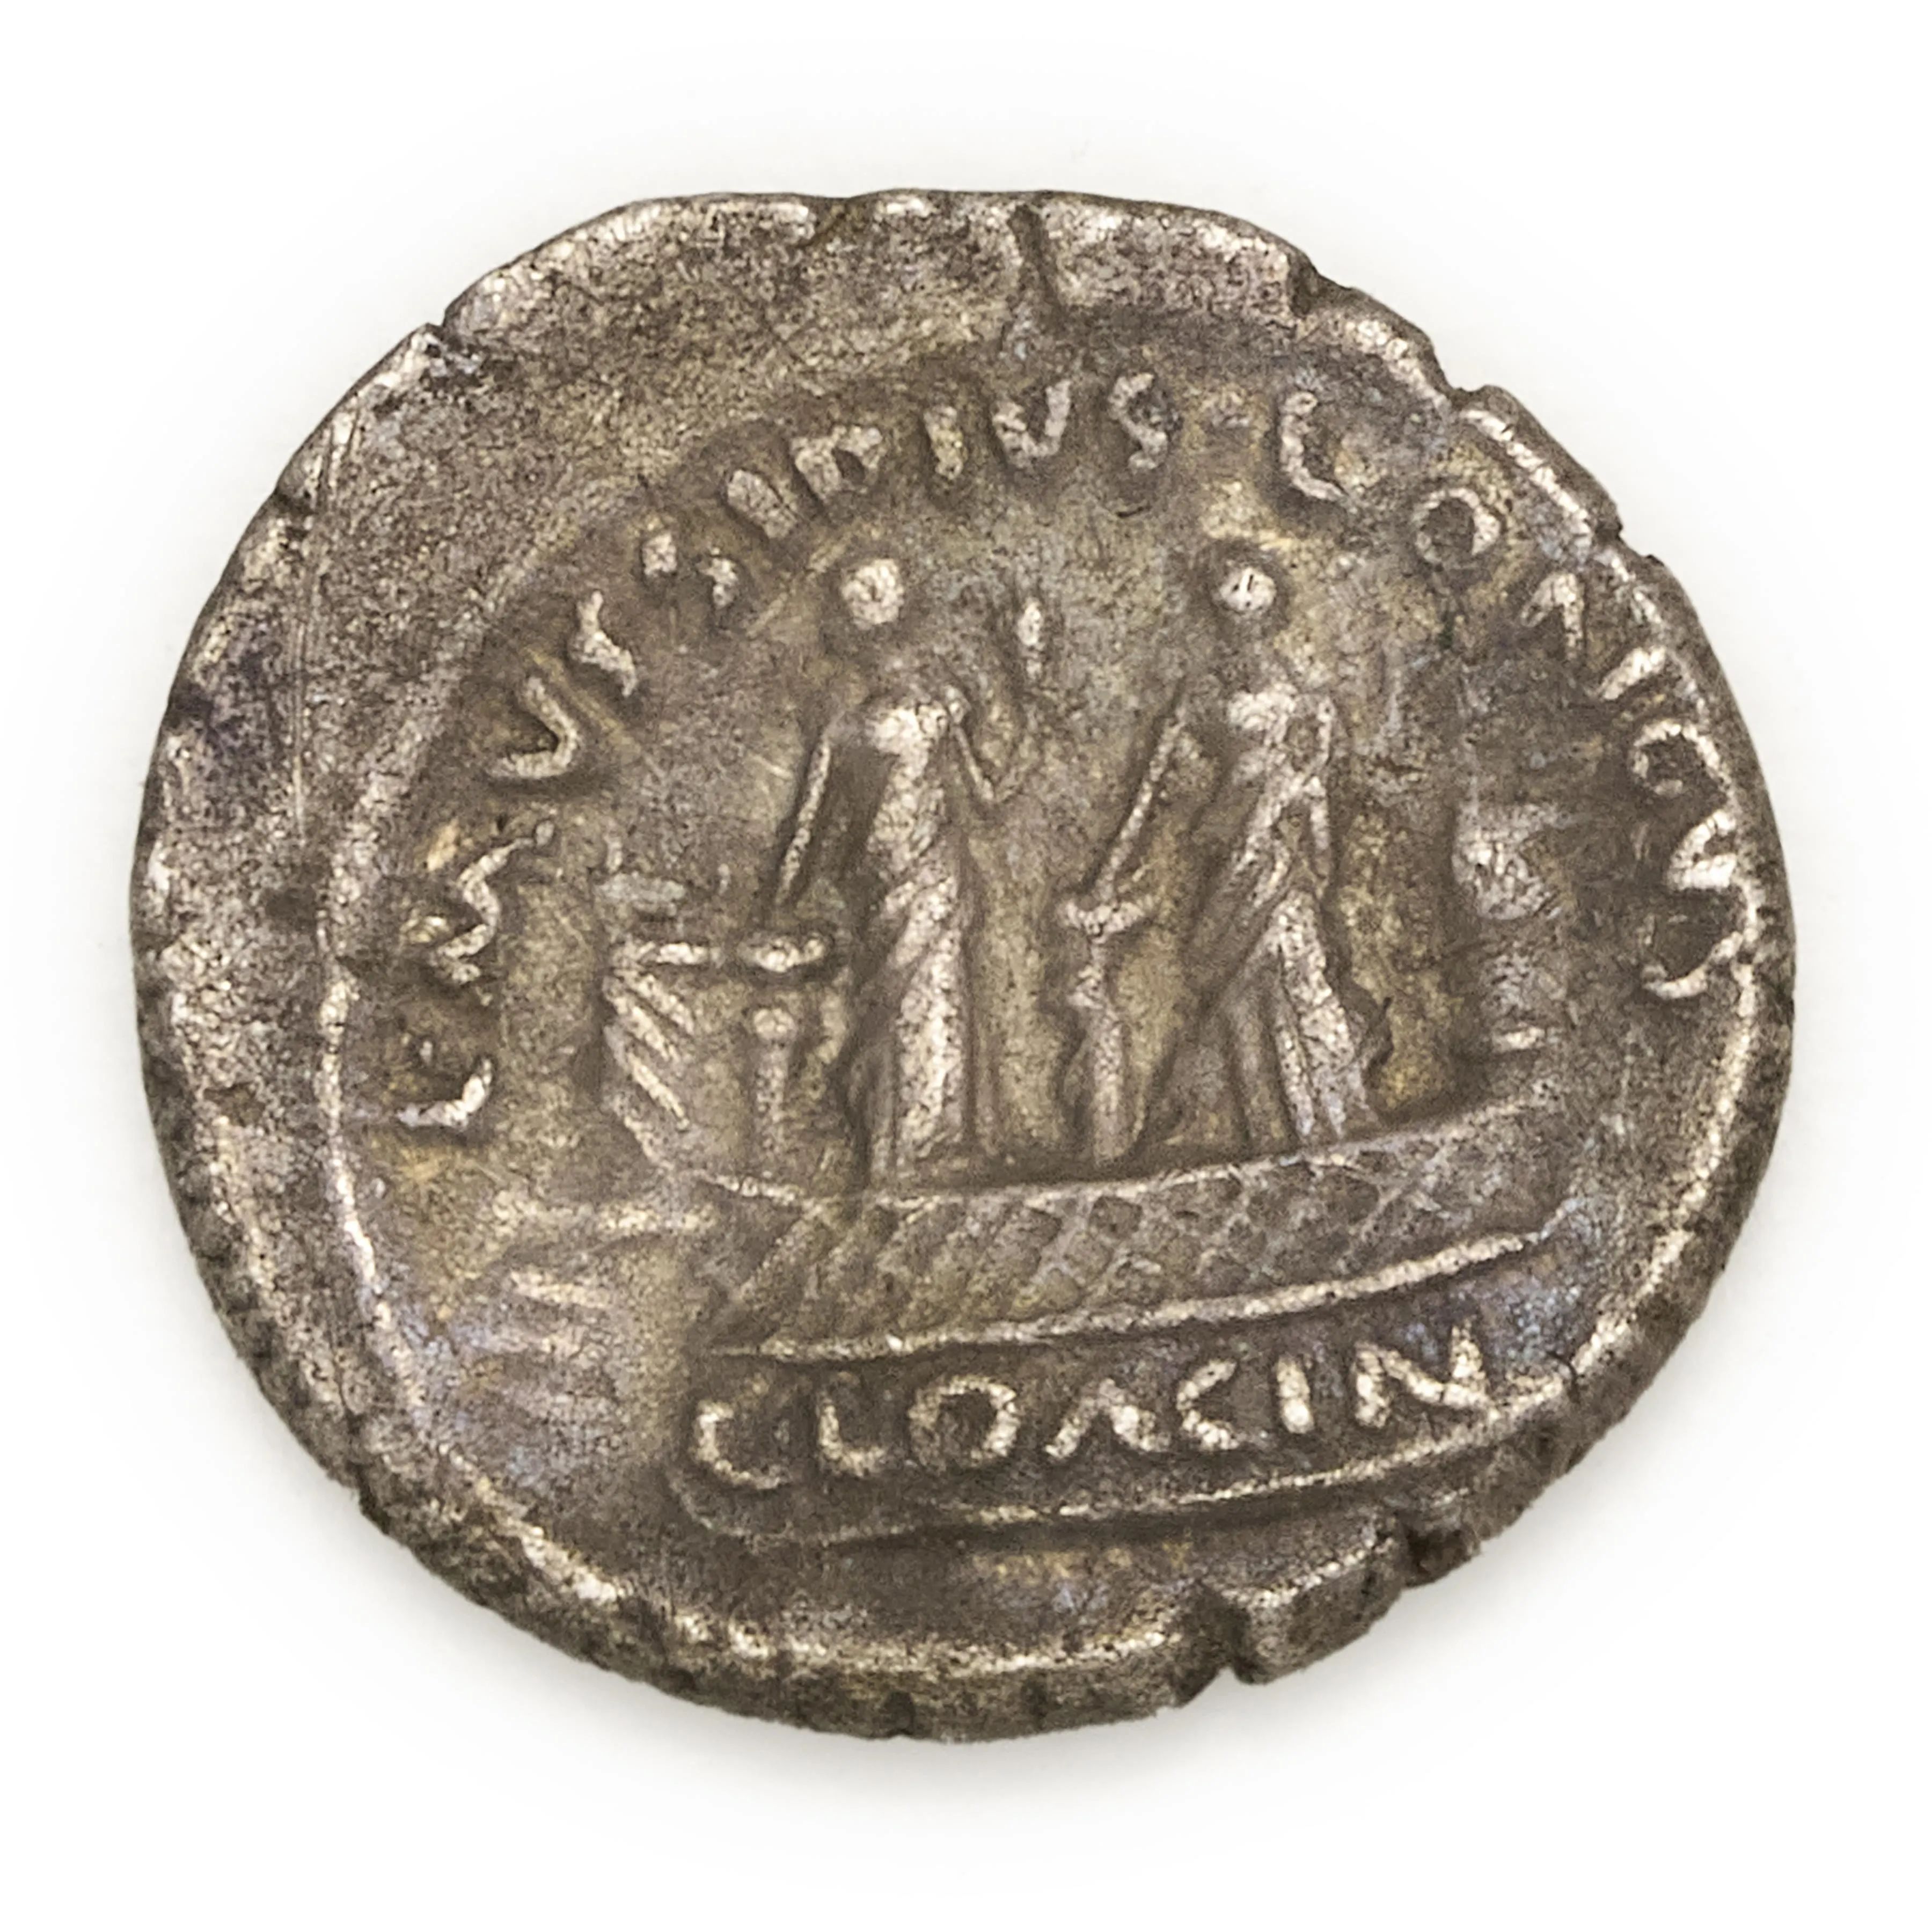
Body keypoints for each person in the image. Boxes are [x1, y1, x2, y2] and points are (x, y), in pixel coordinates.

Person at [772, 558, 1009, 1184]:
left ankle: (931, 1145)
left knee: (936, 995)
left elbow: (984, 796)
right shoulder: (847, 721)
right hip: (878, 887)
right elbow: (810, 823)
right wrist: (779, 902)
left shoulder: (932, 711)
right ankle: (895, 1144)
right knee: (893, 1002)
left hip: (934, 873)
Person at [1167, 562, 1378, 1153]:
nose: (1241, 629)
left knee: (1295, 965)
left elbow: (1317, 779)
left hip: (1277, 843)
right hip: (1236, 831)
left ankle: (1328, 1112)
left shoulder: (1299, 698)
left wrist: (1304, 814)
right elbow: (1175, 771)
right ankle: (1263, 1122)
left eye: (1250, 617)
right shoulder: (1207, 691)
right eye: (1230, 618)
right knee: (1242, 976)